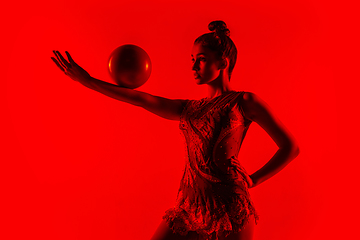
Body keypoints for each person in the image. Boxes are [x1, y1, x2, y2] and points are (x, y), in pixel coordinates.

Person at [51, 20, 300, 240]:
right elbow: (142, 99)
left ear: (223, 62)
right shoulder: (188, 109)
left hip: (230, 205)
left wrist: (254, 179)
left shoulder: (244, 102)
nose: (193, 67)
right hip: (189, 205)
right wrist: (88, 82)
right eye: (192, 60)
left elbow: (290, 147)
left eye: (201, 59)